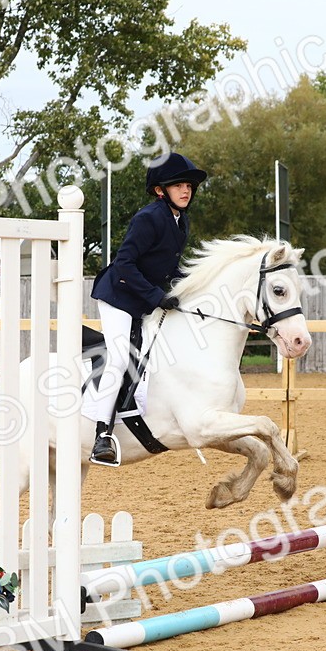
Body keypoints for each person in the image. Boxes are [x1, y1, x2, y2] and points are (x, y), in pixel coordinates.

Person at [85, 152, 208, 466]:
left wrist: (193, 289)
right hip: (118, 297)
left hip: (142, 298)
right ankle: (102, 435)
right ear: (160, 190)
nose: (186, 191)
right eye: (178, 185)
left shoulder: (181, 221)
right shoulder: (148, 218)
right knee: (117, 356)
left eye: (189, 186)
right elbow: (124, 264)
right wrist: (157, 297)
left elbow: (169, 269)